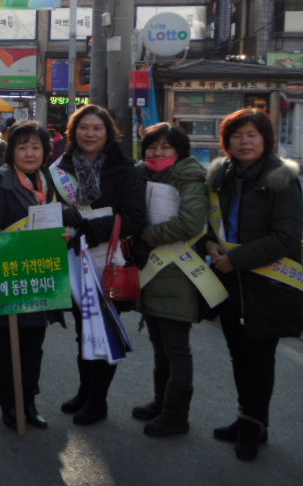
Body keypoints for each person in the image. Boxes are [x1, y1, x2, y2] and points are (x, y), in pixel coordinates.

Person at [204, 109, 302, 461]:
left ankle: (252, 428)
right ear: (227, 141)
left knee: (258, 359)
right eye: (236, 135)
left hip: (267, 285)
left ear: (266, 139)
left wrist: (238, 259)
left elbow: (288, 237)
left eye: (251, 135)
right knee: (238, 355)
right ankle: (248, 417)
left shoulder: (282, 178)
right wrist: (210, 245)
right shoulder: (222, 176)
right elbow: (213, 224)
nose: (244, 142)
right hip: (230, 283)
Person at [52, 104, 146, 426]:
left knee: (104, 331)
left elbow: (135, 218)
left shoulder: (125, 169)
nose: (89, 133)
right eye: (83, 127)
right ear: (73, 132)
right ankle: (84, 391)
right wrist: (66, 222)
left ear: (108, 133)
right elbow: (50, 208)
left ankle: (98, 401)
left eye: (97, 128)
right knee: (83, 330)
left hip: (108, 261)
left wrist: (91, 229)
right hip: (75, 259)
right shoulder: (61, 167)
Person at [131, 123, 208, 437]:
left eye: (165, 147)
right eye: (151, 147)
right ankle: (161, 402)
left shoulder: (190, 179)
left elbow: (190, 222)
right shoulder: (146, 176)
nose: (156, 153)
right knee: (160, 344)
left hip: (178, 272)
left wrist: (146, 235)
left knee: (177, 348)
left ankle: (177, 415)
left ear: (180, 151)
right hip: (152, 273)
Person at [0, 121, 57, 430]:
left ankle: (29, 402)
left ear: (45, 152)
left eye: (36, 147)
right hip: (9, 277)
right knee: (7, 344)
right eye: (22, 147)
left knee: (34, 345)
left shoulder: (50, 183)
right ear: (12, 151)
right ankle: (9, 404)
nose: (29, 152)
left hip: (42, 276)